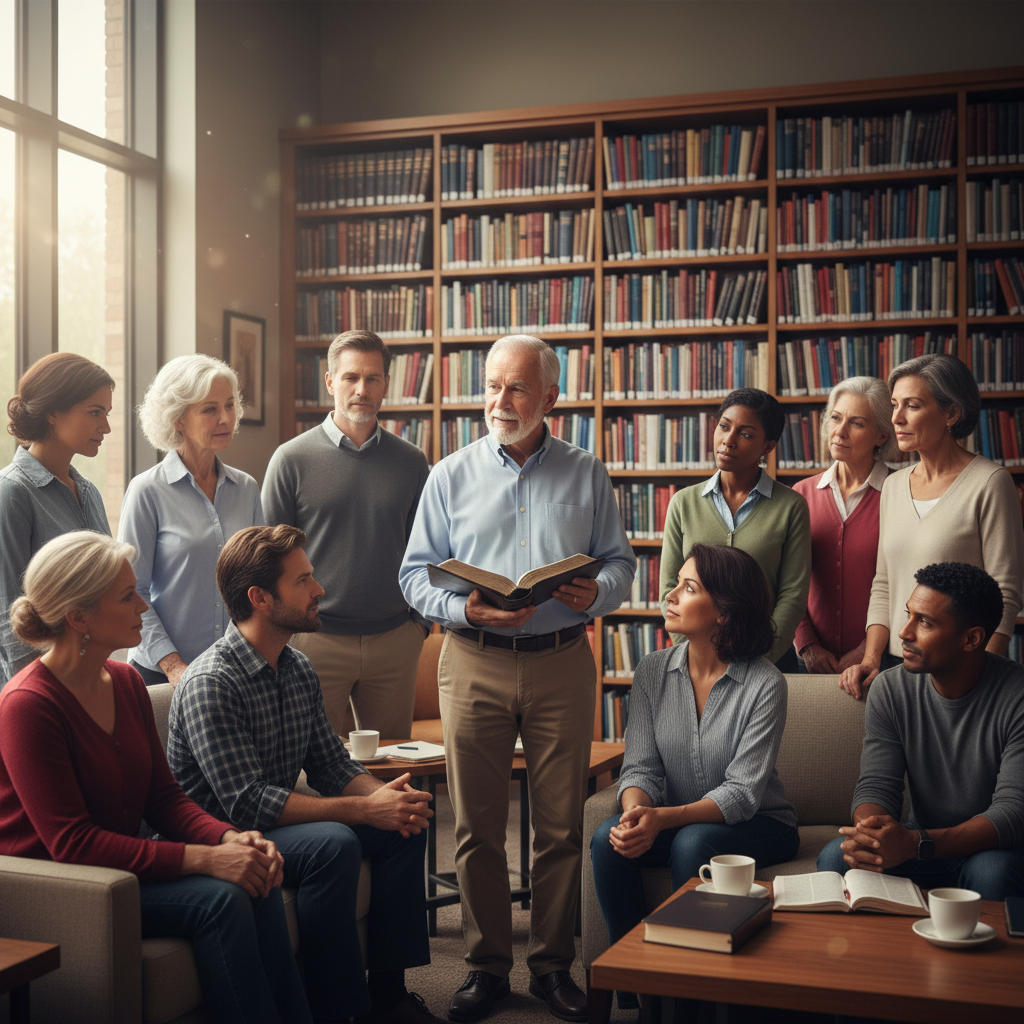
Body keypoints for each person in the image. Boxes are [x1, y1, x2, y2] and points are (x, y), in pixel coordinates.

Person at [399, 334, 636, 1024]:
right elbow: (415, 573)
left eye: (517, 389)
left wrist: (601, 595)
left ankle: (554, 965)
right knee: (474, 826)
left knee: (560, 827)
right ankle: (483, 967)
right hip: (472, 658)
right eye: (493, 387)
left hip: (563, 658)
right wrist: (459, 606)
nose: (499, 402)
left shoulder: (587, 472)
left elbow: (619, 563)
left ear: (550, 399)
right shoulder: (448, 475)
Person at [0, 531, 311, 1024]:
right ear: (78, 618)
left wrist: (232, 837)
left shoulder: (125, 682)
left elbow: (164, 799)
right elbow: (73, 844)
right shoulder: (27, 706)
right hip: (62, 887)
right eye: (127, 596)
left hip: (120, 872)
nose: (143, 605)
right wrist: (206, 860)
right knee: (222, 899)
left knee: (254, 875)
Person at [167, 524, 444, 1024]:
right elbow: (247, 804)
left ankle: (389, 998)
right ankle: (338, 1010)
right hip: (226, 835)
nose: (319, 590)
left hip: (271, 820)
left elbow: (331, 764)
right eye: (304, 580)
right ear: (261, 598)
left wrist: (388, 800)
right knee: (332, 843)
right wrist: (365, 809)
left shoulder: (296, 667)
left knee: (404, 825)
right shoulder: (211, 682)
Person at [591, 543, 799, 1010]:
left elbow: (743, 794)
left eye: (688, 587)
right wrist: (637, 813)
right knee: (609, 838)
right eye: (677, 583)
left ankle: (689, 1003)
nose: (670, 595)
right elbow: (640, 767)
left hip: (761, 824)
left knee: (693, 843)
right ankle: (642, 991)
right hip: (678, 819)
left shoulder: (766, 683)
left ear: (724, 612)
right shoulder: (651, 672)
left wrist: (663, 819)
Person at [818, 562, 1024, 900]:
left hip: (995, 847)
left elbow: (1013, 813)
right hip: (923, 843)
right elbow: (877, 784)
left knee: (990, 873)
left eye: (924, 622)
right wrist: (873, 835)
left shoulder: (1016, 695)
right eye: (908, 615)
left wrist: (915, 844)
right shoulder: (890, 689)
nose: (904, 633)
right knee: (836, 857)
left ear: (971, 639)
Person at [263, 329, 430, 739]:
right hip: (315, 639)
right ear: (330, 381)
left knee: (393, 769)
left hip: (395, 639)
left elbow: (428, 549)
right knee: (312, 768)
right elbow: (268, 559)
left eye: (373, 378)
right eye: (351, 377)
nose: (362, 388)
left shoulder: (411, 462)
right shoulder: (291, 459)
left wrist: (419, 626)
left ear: (386, 385)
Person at [840, 353, 1024, 699]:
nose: (896, 418)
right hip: (898, 664)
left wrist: (979, 675)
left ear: (951, 414)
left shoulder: (991, 483)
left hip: (961, 668)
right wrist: (871, 657)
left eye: (912, 405)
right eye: (894, 405)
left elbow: (1007, 591)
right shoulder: (893, 486)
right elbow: (884, 583)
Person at [118, 354, 263, 686]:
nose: (226, 418)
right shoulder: (146, 491)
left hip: (232, 671)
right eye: (210, 409)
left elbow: (259, 582)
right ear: (178, 418)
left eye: (229, 405)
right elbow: (132, 591)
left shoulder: (247, 489)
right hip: (161, 673)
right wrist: (173, 666)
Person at [659, 388, 811, 669]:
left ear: (767, 447)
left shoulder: (791, 507)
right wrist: (696, 652)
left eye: (745, 434)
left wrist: (758, 660)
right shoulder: (683, 503)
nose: (727, 441)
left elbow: (793, 596)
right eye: (724, 427)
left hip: (769, 663)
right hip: (697, 665)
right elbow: (669, 587)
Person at [1, 353, 114, 685]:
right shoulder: (12, 492)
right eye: (95, 413)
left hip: (91, 674)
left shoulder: (88, 491)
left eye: (106, 414)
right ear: (52, 412)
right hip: (42, 686)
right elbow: (7, 612)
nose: (105, 427)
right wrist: (33, 693)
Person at [792, 376, 897, 674]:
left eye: (857, 423)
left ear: (881, 436)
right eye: (835, 418)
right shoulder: (800, 495)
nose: (839, 432)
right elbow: (785, 581)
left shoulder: (900, 493)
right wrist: (807, 645)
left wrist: (868, 650)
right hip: (808, 662)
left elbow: (906, 582)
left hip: (881, 660)